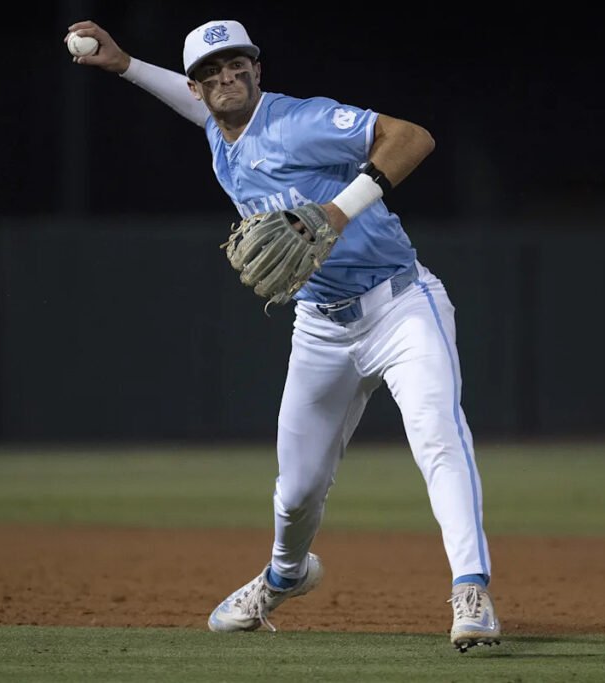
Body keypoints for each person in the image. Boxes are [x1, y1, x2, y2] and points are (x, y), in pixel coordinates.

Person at [66, 17, 501, 652]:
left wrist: (336, 210)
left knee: (437, 437)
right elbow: (190, 101)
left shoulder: (300, 119)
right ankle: (283, 576)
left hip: (401, 305)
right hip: (320, 327)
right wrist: (126, 64)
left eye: (237, 63)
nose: (227, 76)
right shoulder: (218, 128)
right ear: (199, 86)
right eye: (212, 72)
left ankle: (472, 590)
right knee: (295, 492)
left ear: (257, 68)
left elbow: (414, 137)